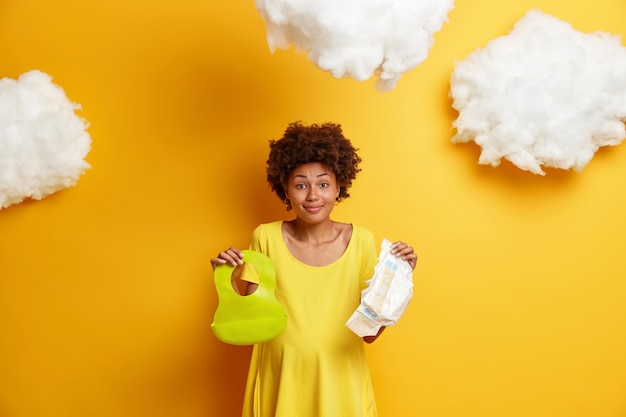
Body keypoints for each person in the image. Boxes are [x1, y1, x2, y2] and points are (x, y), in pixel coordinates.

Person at [211, 121, 418, 417]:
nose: (312, 196)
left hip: (341, 386)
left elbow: (368, 334)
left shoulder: (361, 241)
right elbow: (252, 325)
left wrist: (396, 282)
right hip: (280, 382)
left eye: (323, 184)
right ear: (285, 189)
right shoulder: (265, 238)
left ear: (338, 188)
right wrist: (227, 277)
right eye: (300, 185)